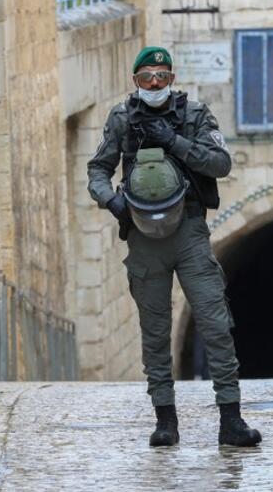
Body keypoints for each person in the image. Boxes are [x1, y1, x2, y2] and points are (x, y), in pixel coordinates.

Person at [87, 46, 261, 448]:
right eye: (146, 76)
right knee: (155, 331)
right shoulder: (121, 118)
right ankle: (165, 420)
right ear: (135, 81)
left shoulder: (195, 115)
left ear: (172, 79)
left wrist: (176, 143)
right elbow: (99, 168)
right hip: (143, 237)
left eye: (161, 76)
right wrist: (110, 199)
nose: (153, 83)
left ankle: (230, 419)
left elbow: (220, 164)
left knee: (215, 322)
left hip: (189, 233)